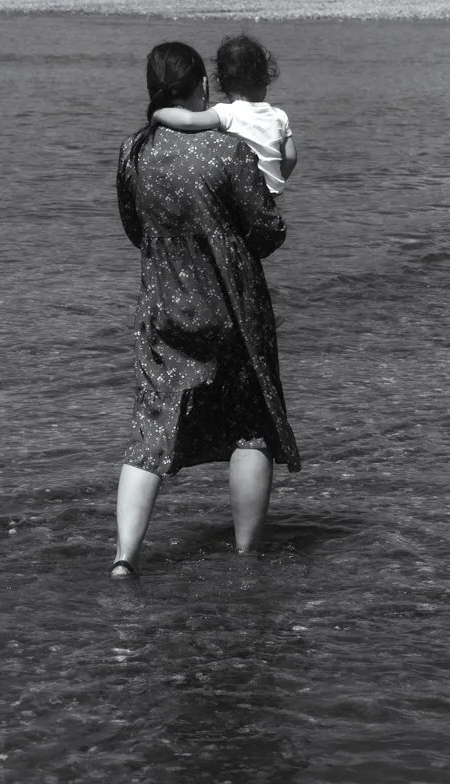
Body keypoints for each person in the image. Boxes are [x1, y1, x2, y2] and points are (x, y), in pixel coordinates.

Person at [112, 40, 301, 580]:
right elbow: (267, 234)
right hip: (234, 309)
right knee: (251, 428)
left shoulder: (133, 152)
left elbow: (134, 229)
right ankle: (246, 560)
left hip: (164, 306)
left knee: (150, 430)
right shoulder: (228, 152)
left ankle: (126, 557)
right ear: (201, 87)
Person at [148, 32, 297, 194]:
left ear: (220, 83)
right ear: (266, 80)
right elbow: (290, 157)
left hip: (242, 193)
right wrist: (276, 180)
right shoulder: (279, 116)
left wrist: (159, 113)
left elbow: (189, 120)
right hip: (272, 191)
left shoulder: (226, 113)